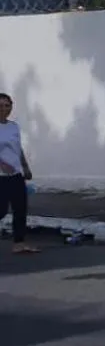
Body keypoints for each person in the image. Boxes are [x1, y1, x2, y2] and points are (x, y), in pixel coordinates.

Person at [0, 93, 36, 254]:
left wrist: (25, 167)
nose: (4, 109)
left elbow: (17, 148)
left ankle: (19, 243)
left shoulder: (13, 126)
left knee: (20, 209)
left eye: (7, 105)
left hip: (16, 174)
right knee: (1, 210)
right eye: (0, 106)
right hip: (0, 177)